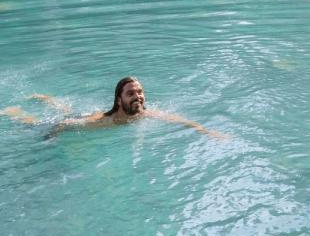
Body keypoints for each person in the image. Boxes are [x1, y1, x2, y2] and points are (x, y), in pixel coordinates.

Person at [2, 77, 227, 138]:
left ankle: (46, 98)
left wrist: (208, 132)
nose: (138, 96)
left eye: (140, 92)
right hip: (85, 117)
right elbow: (66, 124)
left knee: (65, 110)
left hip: (87, 115)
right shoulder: (105, 122)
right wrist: (51, 136)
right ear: (119, 101)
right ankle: (12, 112)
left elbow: (181, 121)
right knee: (37, 124)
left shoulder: (147, 114)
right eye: (131, 94)